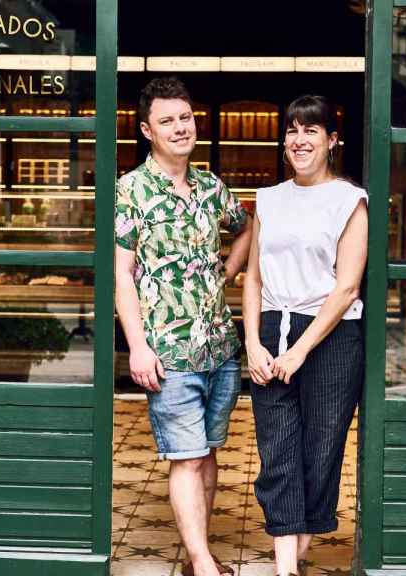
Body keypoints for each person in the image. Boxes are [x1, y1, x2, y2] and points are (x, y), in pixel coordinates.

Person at [115, 76, 251, 576]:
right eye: (167, 120)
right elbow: (121, 278)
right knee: (186, 458)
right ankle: (202, 563)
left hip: (219, 347)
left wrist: (227, 271)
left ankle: (200, 556)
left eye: (185, 117)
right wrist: (137, 347)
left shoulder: (213, 187)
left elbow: (245, 227)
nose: (180, 127)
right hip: (167, 353)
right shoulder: (129, 191)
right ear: (147, 130)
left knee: (208, 451)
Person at [241, 95, 369, 576]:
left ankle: (297, 552)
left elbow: (348, 287)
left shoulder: (350, 201)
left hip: (331, 337)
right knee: (277, 449)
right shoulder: (269, 199)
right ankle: (286, 567)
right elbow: (253, 278)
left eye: (311, 130)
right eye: (292, 130)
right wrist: (254, 342)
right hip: (274, 327)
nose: (299, 140)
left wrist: (297, 352)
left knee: (320, 448)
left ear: (331, 141)